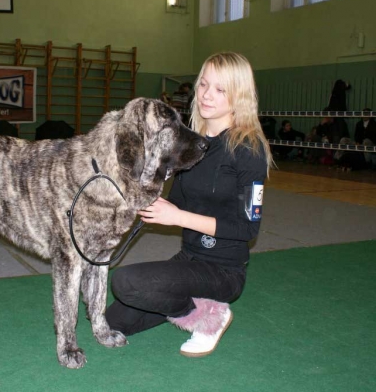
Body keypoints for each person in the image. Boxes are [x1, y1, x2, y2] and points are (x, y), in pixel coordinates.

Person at [105, 52, 273, 357]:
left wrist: (177, 216)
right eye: (203, 85)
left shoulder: (249, 149)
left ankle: (209, 318)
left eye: (221, 89)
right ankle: (191, 299)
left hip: (224, 271)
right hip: (190, 259)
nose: (207, 95)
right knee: (112, 322)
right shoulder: (191, 144)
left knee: (127, 283)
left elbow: (247, 228)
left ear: (240, 96)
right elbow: (175, 202)